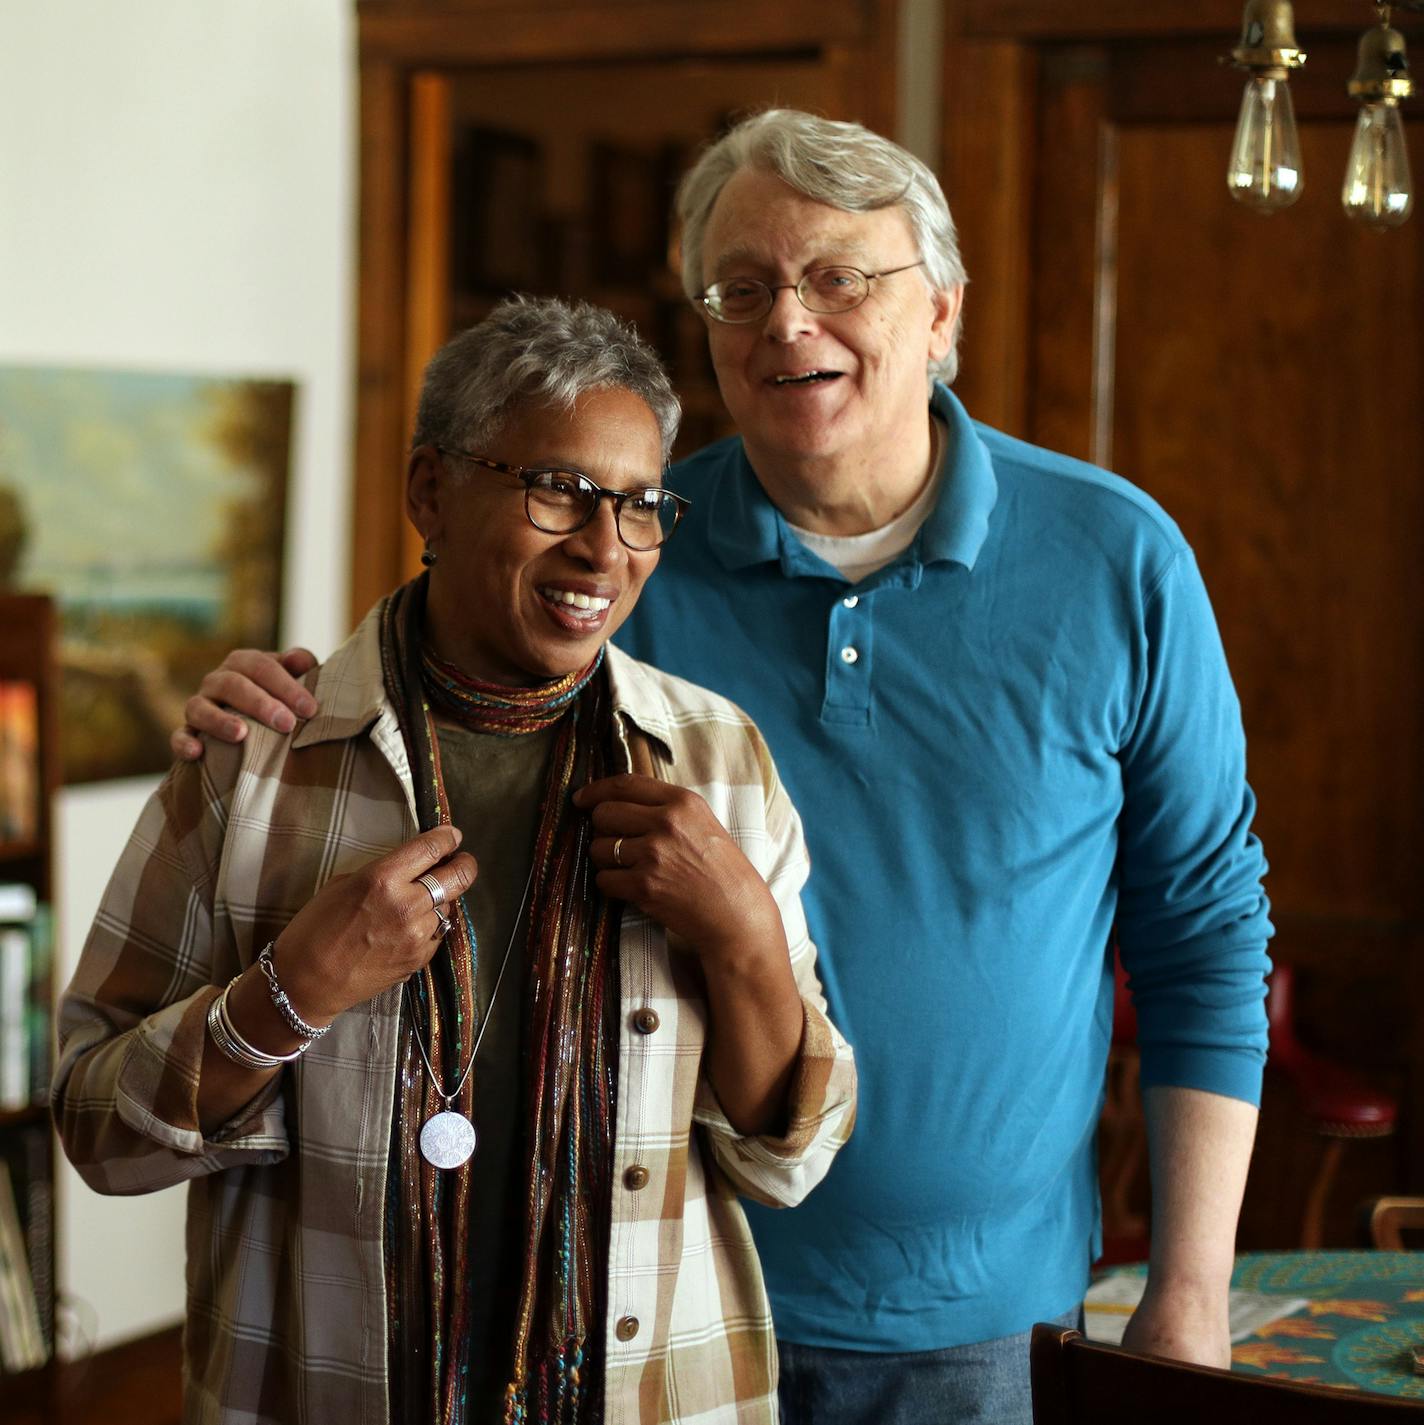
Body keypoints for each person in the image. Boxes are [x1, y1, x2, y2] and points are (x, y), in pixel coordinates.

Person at [173, 111, 1272, 1424]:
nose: (787, 324)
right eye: (741, 289)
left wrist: (1192, 1292)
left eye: (839, 279)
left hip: (982, 1327)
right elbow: (426, 700)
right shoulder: (623, 545)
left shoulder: (1117, 559)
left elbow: (1205, 935)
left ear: (941, 314)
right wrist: (275, 702)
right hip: (640, 1302)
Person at [54, 295, 856, 1425]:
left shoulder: (716, 763)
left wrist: (741, 937)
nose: (602, 548)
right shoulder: (256, 764)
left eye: (637, 506)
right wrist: (288, 997)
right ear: (430, 489)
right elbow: (96, 1133)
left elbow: (793, 1159)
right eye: (558, 490)